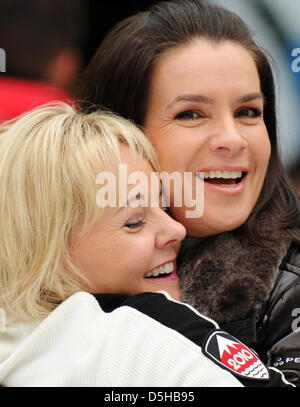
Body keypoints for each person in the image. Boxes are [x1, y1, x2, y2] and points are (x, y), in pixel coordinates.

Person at [74, 0, 300, 385]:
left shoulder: (289, 285)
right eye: (190, 114)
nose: (232, 140)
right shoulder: (49, 271)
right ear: (119, 132)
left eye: (248, 112)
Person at [1, 102, 291, 387]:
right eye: (134, 222)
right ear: (46, 245)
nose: (176, 228)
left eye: (163, 207)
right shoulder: (148, 327)